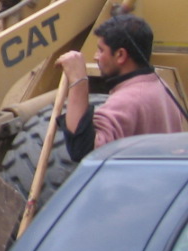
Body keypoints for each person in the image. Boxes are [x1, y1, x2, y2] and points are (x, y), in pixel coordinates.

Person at [57, 14, 183, 163]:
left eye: (101, 50)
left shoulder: (128, 99)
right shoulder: (161, 87)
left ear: (120, 55)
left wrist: (78, 81)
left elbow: (83, 150)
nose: (96, 57)